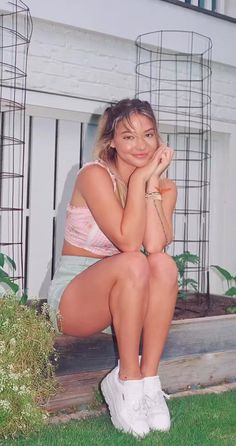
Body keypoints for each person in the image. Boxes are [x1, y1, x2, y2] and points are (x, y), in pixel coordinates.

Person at [48, 98, 178, 438]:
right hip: (76, 300)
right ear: (112, 141)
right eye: (129, 136)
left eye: (148, 135)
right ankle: (127, 382)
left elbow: (155, 246)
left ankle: (149, 382)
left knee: (162, 265)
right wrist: (137, 183)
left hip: (124, 300)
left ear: (158, 140)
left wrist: (150, 185)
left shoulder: (164, 186)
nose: (141, 145)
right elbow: (127, 243)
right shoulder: (94, 175)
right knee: (134, 261)